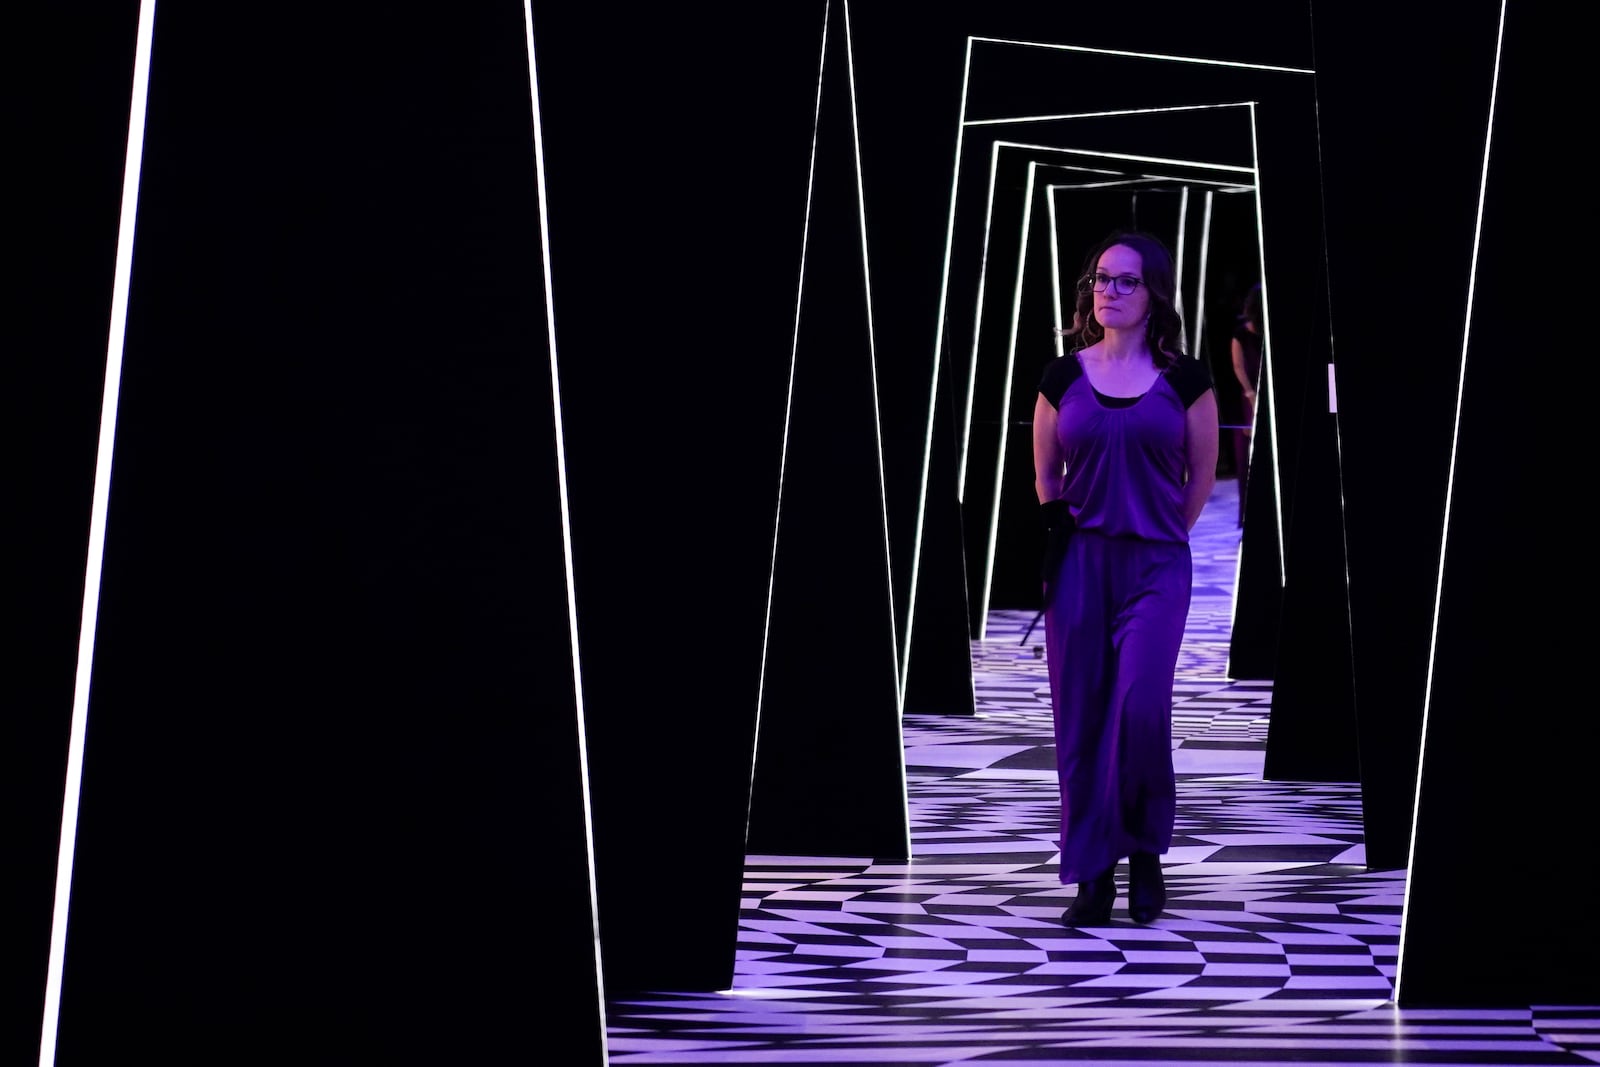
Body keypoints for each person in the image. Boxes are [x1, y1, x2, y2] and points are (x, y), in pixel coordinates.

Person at [1033, 229, 1219, 927]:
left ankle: (1144, 853)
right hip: (1081, 565)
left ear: (1154, 296)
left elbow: (1201, 477)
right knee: (1082, 718)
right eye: (1101, 279)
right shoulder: (1062, 375)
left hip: (1155, 565)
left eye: (1124, 281)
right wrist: (1060, 528)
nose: (1107, 291)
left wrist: (1163, 531)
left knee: (1139, 708)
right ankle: (1093, 871)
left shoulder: (1187, 380)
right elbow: (1046, 473)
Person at [1230, 283, 1264, 525]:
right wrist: (1251, 395)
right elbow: (1238, 367)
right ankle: (1247, 514)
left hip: (1265, 393)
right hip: (1249, 397)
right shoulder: (1241, 335)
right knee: (1247, 460)